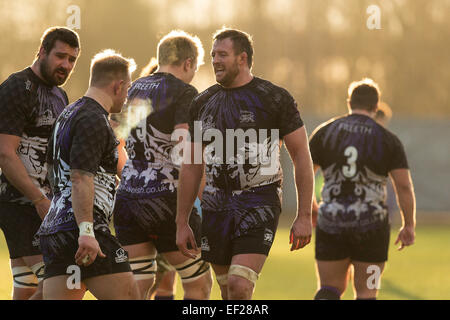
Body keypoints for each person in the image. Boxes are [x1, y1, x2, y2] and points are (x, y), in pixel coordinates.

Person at [176, 28, 314, 300]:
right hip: (215, 204)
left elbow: (301, 156)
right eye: (213, 54)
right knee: (227, 289)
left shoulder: (274, 98)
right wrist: (181, 222)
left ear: (242, 58)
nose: (215, 60)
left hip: (259, 201)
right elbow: (191, 165)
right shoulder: (202, 102)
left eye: (222, 54)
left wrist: (305, 215)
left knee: (240, 285)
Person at [112, 30, 212, 300]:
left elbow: (115, 140)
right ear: (188, 63)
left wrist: (131, 175)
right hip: (168, 199)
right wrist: (205, 202)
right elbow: (186, 153)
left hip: (128, 199)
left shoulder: (131, 89)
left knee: (138, 288)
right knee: (199, 284)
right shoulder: (184, 92)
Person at [37, 49, 140, 300]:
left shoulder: (68, 114)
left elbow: (54, 171)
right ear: (118, 86)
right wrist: (86, 231)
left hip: (56, 230)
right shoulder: (93, 118)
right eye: (127, 90)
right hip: (83, 228)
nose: (126, 98)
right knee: (130, 296)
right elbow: (80, 177)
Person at [309, 78, 416, 300]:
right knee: (368, 292)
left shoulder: (325, 132)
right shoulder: (388, 140)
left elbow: (304, 174)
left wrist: (310, 207)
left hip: (331, 222)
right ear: (376, 107)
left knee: (329, 289)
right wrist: (408, 225)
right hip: (373, 228)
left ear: (349, 102)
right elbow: (403, 186)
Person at [0, 26, 80, 299]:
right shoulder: (16, 87)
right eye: (60, 56)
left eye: (72, 60)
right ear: (42, 51)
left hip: (47, 205)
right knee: (64, 280)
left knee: (28, 286)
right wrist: (39, 200)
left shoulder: (61, 96)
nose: (66, 65)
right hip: (20, 204)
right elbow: (5, 153)